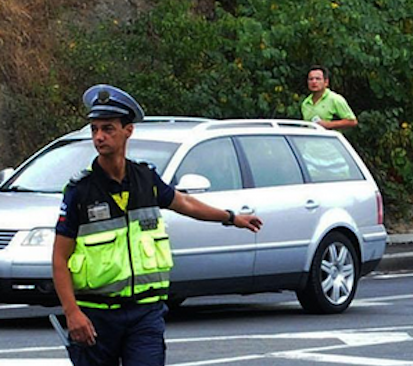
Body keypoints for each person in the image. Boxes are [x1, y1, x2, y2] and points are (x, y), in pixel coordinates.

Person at [51, 84, 263, 366]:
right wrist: (72, 312)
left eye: (108, 129)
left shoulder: (146, 179)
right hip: (96, 315)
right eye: (94, 130)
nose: (99, 137)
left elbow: (185, 203)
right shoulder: (80, 191)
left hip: (144, 313)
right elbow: (59, 258)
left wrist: (231, 218)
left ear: (128, 130)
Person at [301, 65, 358, 130]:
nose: (314, 82)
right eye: (311, 79)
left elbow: (352, 121)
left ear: (326, 82)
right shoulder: (305, 103)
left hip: (329, 139)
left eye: (318, 79)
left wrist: (328, 124)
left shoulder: (335, 99)